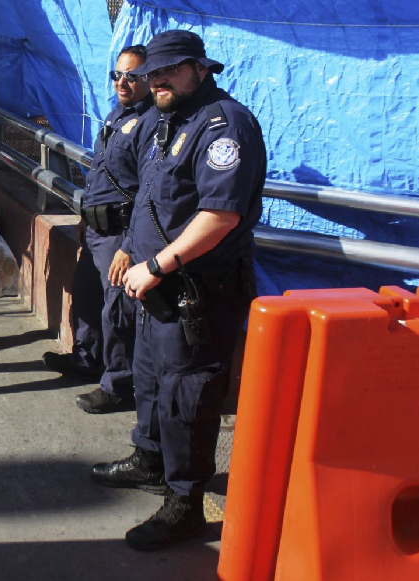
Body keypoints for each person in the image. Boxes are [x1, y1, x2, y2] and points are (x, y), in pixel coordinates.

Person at [91, 29, 265, 552]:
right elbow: (151, 192)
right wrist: (128, 247)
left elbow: (220, 216)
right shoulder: (167, 120)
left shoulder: (225, 125)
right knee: (148, 379)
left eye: (168, 71)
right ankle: (149, 458)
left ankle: (185, 501)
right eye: (151, 74)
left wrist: (159, 264)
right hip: (154, 282)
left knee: (186, 394)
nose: (156, 81)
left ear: (200, 68)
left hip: (196, 288)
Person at [43, 45, 152, 414]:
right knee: (87, 298)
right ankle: (87, 358)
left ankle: (118, 384)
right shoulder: (117, 115)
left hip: (120, 235)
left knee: (117, 311)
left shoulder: (151, 124)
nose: (122, 82)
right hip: (95, 230)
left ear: (149, 80)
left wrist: (130, 247)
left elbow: (149, 192)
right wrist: (84, 219)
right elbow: (100, 176)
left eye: (131, 76)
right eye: (117, 75)